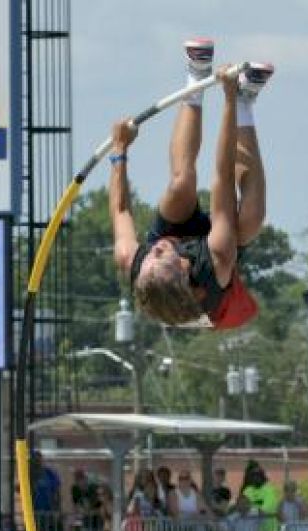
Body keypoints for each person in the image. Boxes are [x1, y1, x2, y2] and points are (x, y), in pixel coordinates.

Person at [111, 39, 275, 330]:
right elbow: (223, 177)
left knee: (180, 184)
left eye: (149, 254)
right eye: (160, 256)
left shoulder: (135, 261)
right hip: (213, 261)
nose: (155, 249)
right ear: (184, 274)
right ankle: (245, 101)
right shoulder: (215, 264)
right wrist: (229, 98)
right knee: (251, 218)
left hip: (180, 243)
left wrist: (120, 149)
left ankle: (196, 75)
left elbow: (121, 210)